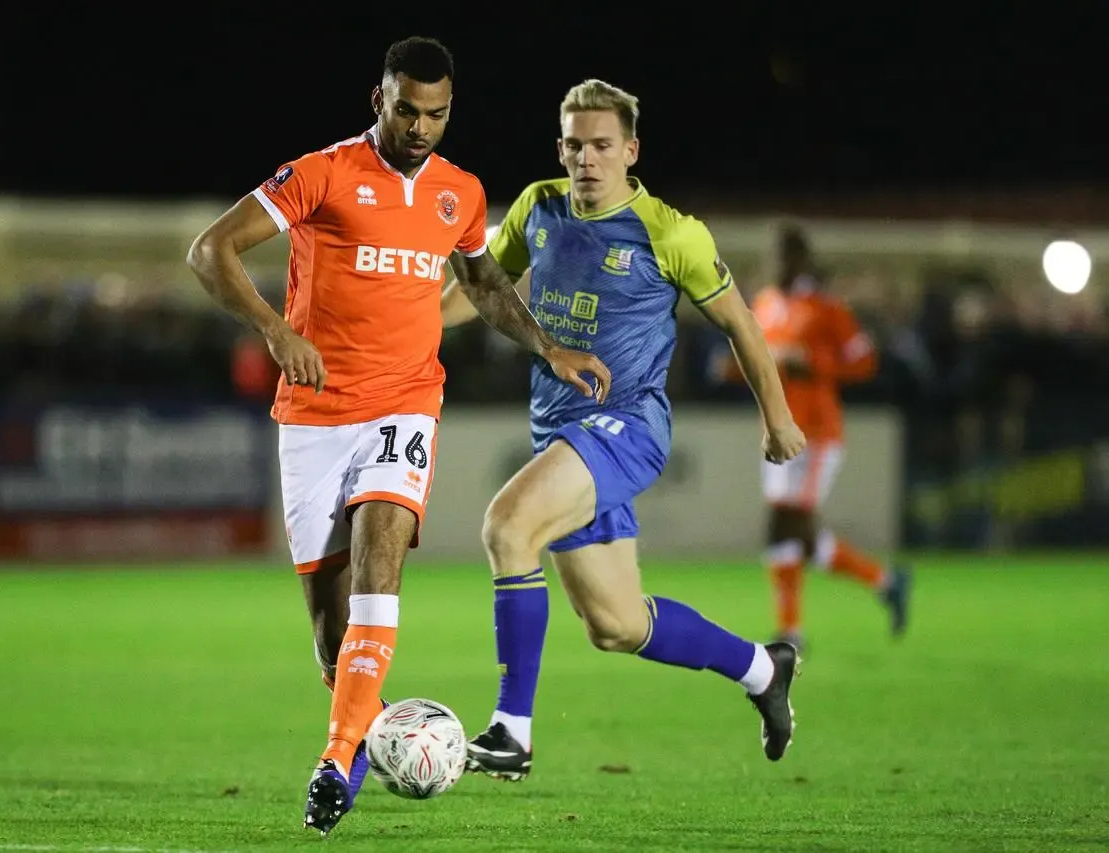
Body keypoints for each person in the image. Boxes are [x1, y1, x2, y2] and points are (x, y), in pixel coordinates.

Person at [186, 38, 610, 835]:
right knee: (330, 635)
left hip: (404, 405)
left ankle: (335, 755)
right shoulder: (321, 174)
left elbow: (483, 283)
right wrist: (274, 328)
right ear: (376, 99)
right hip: (313, 416)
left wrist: (549, 345)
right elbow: (209, 249)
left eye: (438, 113)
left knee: (384, 542)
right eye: (408, 110)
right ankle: (358, 733)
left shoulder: (460, 193)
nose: (422, 127)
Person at [440, 79, 807, 782]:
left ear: (629, 150)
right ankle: (763, 669)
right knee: (615, 626)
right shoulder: (535, 207)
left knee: (507, 525)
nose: (586, 158)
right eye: (574, 144)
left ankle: (511, 731)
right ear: (559, 147)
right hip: (560, 433)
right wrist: (410, 325)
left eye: (601, 145)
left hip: (628, 424)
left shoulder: (671, 233)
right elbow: (482, 293)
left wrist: (777, 416)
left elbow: (739, 323)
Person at [735, 225, 911, 650]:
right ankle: (885, 581)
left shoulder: (826, 309)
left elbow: (864, 361)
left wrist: (812, 361)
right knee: (797, 535)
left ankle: (791, 631)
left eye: (784, 257)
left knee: (784, 525)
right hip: (776, 430)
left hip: (815, 432)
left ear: (800, 260)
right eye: (773, 256)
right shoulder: (765, 303)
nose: (776, 264)